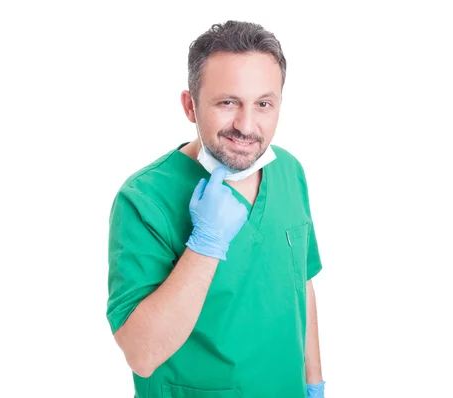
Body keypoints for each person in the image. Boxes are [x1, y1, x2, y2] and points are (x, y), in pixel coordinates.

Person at [106, 20, 327, 398]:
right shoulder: (144, 199)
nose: (246, 125)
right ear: (190, 106)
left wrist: (314, 383)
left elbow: (301, 285)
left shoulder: (289, 171)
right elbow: (141, 355)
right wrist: (204, 244)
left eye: (263, 104)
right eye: (228, 102)